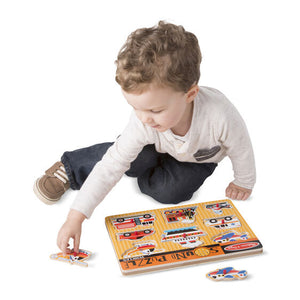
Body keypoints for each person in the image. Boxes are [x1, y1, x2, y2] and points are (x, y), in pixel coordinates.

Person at [33, 21, 255, 254]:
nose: (144, 118)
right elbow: (112, 164)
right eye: (135, 107)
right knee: (126, 157)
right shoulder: (143, 121)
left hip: (196, 160)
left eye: (155, 111)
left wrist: (244, 181)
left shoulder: (219, 115)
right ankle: (71, 168)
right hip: (155, 146)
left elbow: (241, 148)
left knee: (170, 193)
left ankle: (144, 166)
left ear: (189, 95)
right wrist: (75, 217)